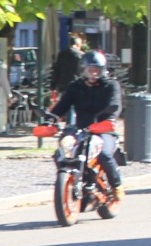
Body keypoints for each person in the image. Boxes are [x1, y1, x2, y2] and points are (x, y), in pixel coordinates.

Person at [49, 50, 124, 199]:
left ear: (103, 70)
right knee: (61, 153)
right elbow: (62, 105)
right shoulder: (75, 87)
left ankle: (116, 185)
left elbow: (115, 105)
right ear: (83, 70)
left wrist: (109, 119)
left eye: (96, 69)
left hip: (103, 129)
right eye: (90, 69)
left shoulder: (111, 86)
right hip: (81, 129)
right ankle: (70, 180)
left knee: (103, 154)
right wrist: (50, 118)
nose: (93, 73)